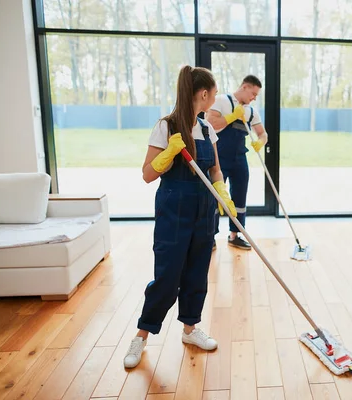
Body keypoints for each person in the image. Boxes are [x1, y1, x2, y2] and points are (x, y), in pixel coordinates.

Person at [123, 65, 237, 369]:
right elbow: (148, 174)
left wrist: (222, 192)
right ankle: (141, 336)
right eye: (213, 93)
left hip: (204, 211)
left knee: (197, 273)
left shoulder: (206, 128)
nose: (214, 97)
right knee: (167, 277)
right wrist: (169, 153)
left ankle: (189, 329)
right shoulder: (166, 126)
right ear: (204, 94)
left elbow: (213, 168)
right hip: (174, 211)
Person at [206, 75, 268, 251]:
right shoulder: (220, 101)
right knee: (215, 198)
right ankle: (210, 237)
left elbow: (263, 134)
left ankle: (235, 235)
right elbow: (212, 123)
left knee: (240, 196)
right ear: (245, 87)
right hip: (219, 158)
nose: (254, 98)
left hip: (240, 158)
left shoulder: (251, 111)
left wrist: (260, 142)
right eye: (253, 93)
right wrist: (233, 116)